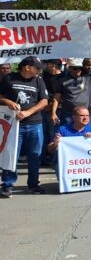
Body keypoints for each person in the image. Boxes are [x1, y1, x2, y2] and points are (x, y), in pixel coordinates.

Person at [0, 56, 50, 195]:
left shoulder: (39, 80)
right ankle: (7, 184)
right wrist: (7, 102)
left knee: (35, 155)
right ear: (27, 67)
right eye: (37, 68)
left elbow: (44, 101)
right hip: (14, 125)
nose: (39, 71)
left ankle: (33, 184)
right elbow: (0, 96)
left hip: (35, 123)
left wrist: (28, 112)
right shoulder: (9, 78)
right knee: (11, 155)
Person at [42, 106, 91, 181]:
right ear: (74, 117)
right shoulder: (63, 129)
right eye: (82, 115)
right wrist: (55, 143)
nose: (85, 118)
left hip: (84, 163)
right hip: (66, 163)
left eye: (87, 115)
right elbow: (49, 149)